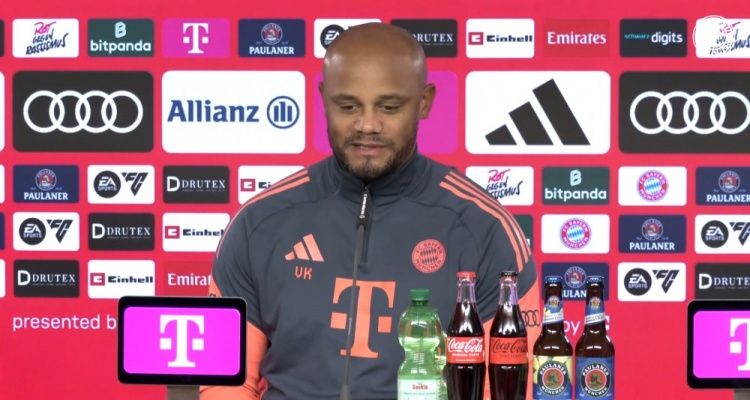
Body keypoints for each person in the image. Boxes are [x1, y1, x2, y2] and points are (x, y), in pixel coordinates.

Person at [200, 22, 541, 400]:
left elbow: (509, 389)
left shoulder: (485, 228)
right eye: (348, 106)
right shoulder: (258, 223)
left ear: (424, 101)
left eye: (389, 107)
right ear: (323, 98)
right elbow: (225, 383)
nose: (367, 125)